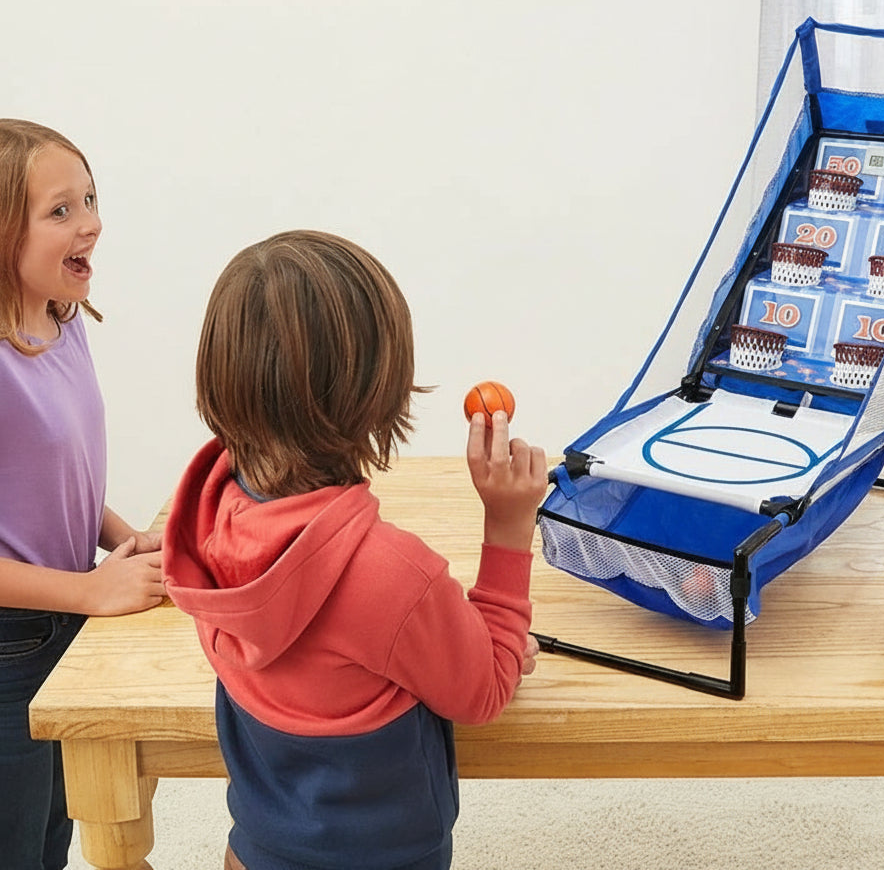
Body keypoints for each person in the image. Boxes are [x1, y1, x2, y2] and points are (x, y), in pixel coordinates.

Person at [162, 229, 548, 870]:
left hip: (260, 838)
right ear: (375, 391)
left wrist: (467, 638)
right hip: (387, 852)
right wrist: (508, 528)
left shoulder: (207, 516)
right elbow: (483, 693)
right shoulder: (394, 577)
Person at [0, 118, 166, 870]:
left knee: (55, 835)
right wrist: (91, 591)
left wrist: (124, 539)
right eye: (60, 210)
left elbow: (49, 479)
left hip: (68, 615)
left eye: (90, 199)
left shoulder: (63, 321)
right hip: (12, 642)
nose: (90, 223)